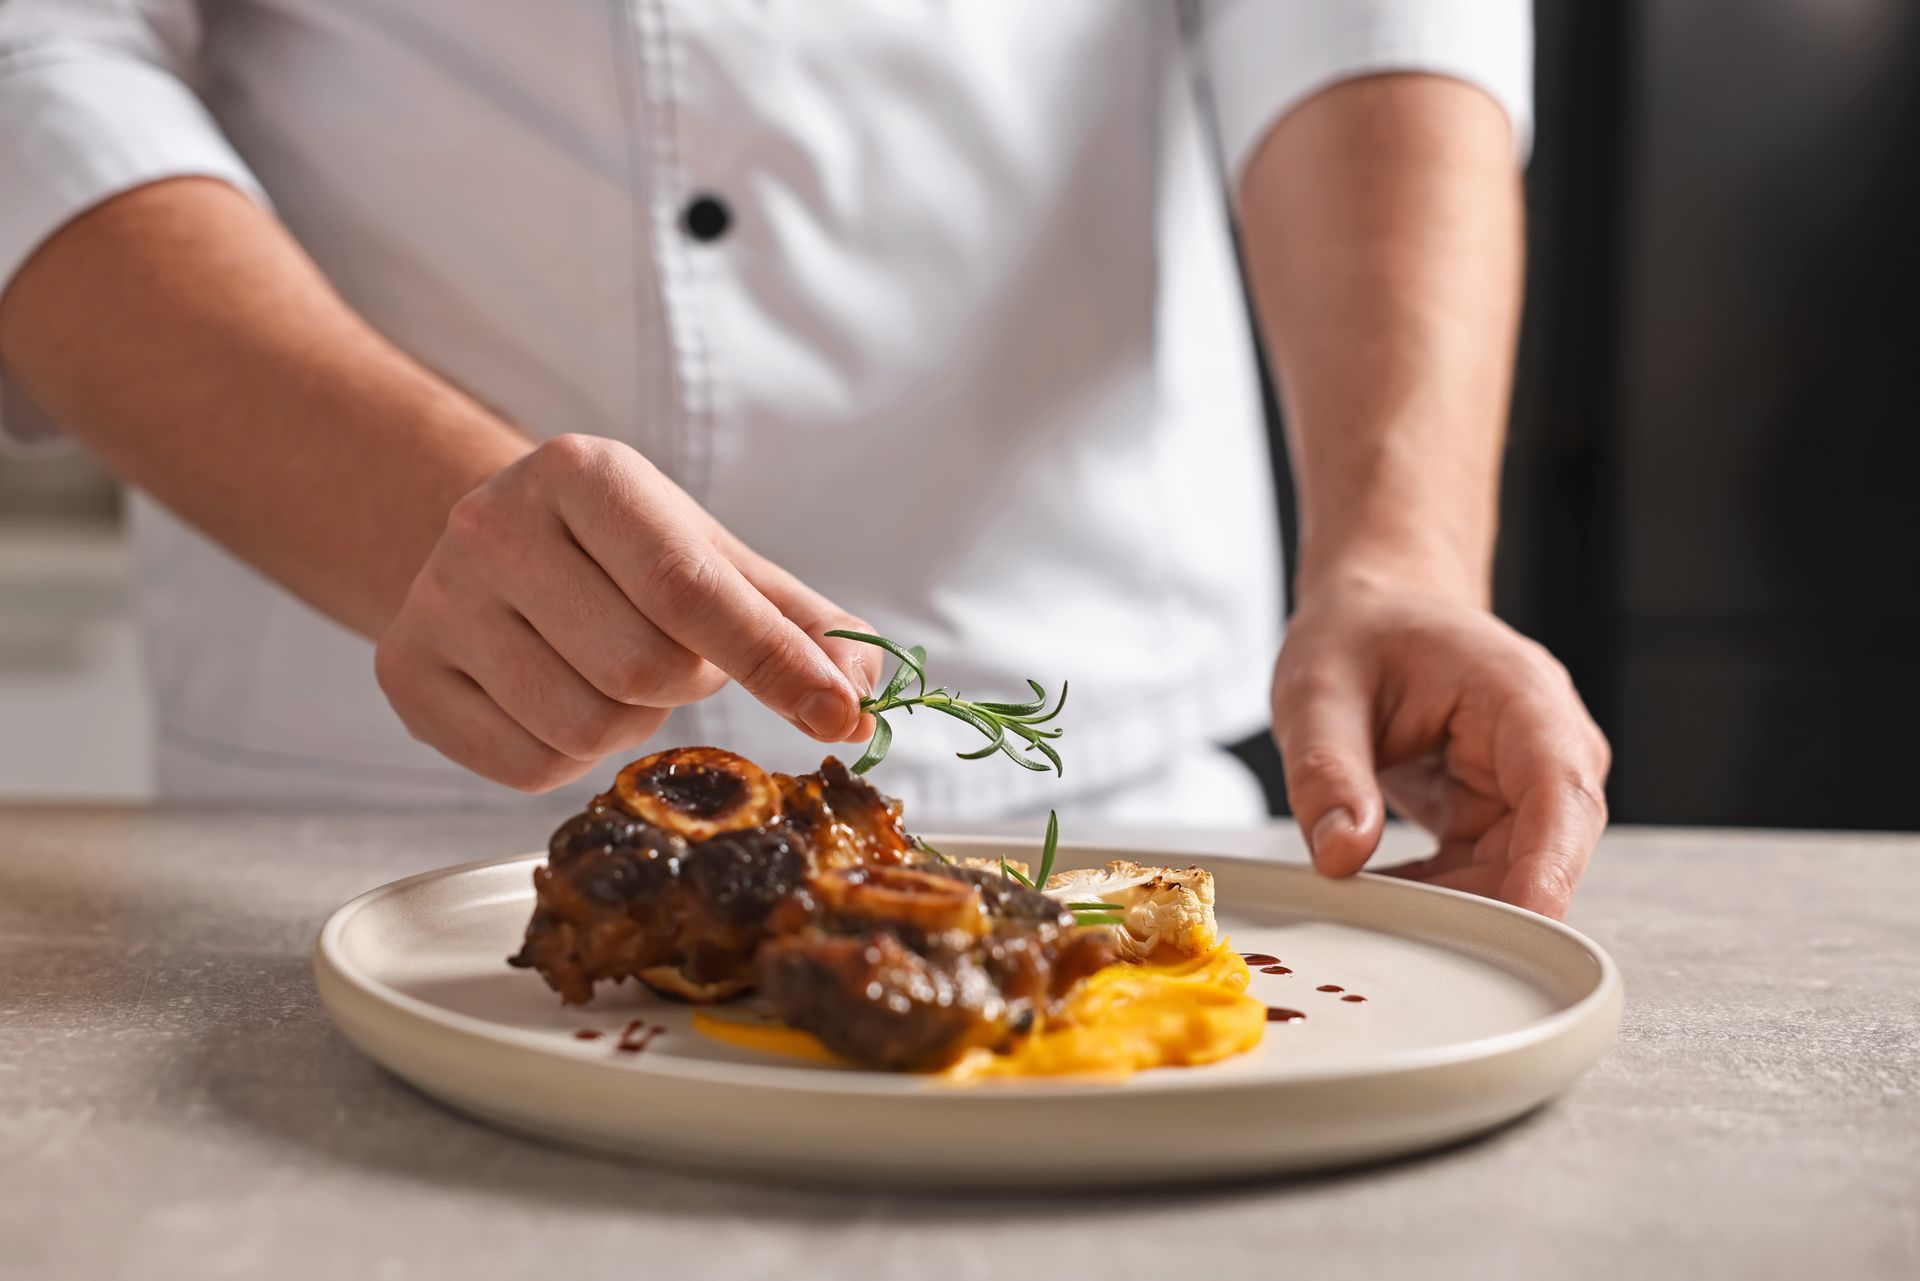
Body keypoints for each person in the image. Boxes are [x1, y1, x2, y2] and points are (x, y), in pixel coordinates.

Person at [0, 1, 1607, 916]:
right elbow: (37, 63)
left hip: (1089, 782)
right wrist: (424, 513)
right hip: (355, 815)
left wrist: (1396, 553)